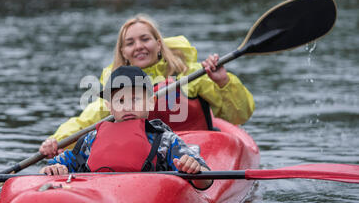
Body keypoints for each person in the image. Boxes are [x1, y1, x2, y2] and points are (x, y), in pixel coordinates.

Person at [44, 14, 255, 154]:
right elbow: (88, 119)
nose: (139, 47)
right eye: (130, 43)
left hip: (197, 153)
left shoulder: (191, 74)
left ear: (158, 44)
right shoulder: (119, 86)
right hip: (145, 158)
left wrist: (223, 82)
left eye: (145, 39)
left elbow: (239, 115)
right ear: (123, 53)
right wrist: (57, 141)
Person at [40, 66, 213, 190]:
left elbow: (206, 179)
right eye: (120, 101)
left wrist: (194, 169)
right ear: (110, 106)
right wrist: (53, 170)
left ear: (151, 103)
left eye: (135, 99)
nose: (127, 106)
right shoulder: (91, 139)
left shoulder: (165, 140)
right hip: (98, 199)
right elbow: (46, 170)